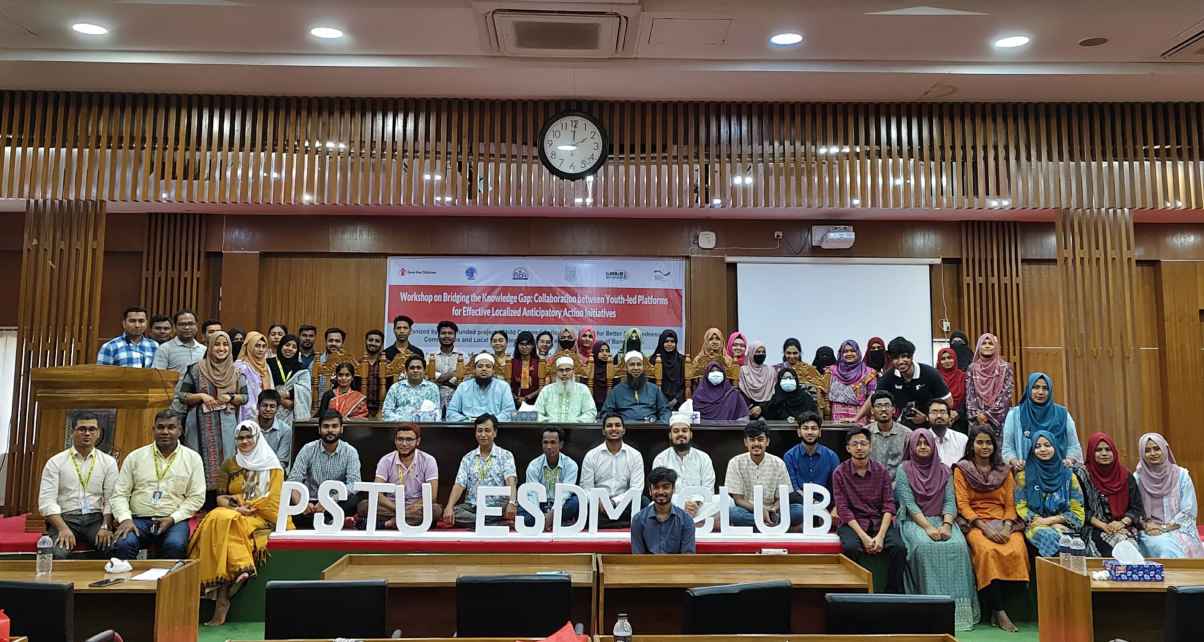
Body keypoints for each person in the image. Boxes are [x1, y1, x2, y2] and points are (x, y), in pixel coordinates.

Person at [188, 420, 289, 625]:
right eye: (240, 438)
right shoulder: (229, 465)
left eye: (249, 437)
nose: (244, 441)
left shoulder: (273, 466)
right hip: (236, 512)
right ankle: (240, 568)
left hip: (262, 516)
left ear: (257, 438)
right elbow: (220, 498)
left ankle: (222, 599)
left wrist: (245, 505)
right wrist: (236, 508)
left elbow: (274, 499)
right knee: (218, 517)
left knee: (227, 522)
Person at [894, 429, 979, 631]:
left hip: (942, 519)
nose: (923, 447)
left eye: (926, 443)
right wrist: (928, 528)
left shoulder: (944, 470)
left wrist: (947, 525)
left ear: (933, 446)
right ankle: (928, 611)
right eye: (918, 443)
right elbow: (909, 504)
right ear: (911, 446)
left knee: (958, 546)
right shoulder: (904, 469)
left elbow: (950, 501)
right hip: (915, 521)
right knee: (924, 547)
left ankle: (959, 613)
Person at [111, 411, 206, 559]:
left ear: (180, 430)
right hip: (138, 520)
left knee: (175, 545)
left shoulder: (193, 459)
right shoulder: (135, 457)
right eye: (160, 427)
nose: (165, 432)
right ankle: (126, 575)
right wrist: (125, 519)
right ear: (153, 430)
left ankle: (169, 576)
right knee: (124, 543)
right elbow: (120, 494)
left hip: (174, 520)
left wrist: (172, 518)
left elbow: (197, 497)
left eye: (171, 427)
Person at [832, 427, 906, 593]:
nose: (859, 448)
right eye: (855, 444)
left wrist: (880, 536)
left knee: (899, 548)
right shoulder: (839, 473)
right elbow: (843, 509)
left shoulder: (881, 471)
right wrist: (864, 537)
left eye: (863, 443)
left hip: (879, 521)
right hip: (853, 523)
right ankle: (857, 593)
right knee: (851, 547)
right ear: (848, 448)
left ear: (870, 446)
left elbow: (889, 505)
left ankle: (892, 593)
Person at [175, 331, 249, 493]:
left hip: (226, 424)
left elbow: (245, 397)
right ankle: (198, 499)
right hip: (199, 425)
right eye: (217, 344)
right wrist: (201, 396)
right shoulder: (196, 369)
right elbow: (181, 395)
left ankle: (223, 498)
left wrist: (230, 397)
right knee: (197, 461)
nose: (221, 348)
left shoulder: (236, 371)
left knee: (227, 460)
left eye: (225, 345)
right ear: (209, 347)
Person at [38, 412, 119, 559]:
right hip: (65, 518)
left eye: (92, 429)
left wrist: (106, 526)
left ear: (98, 433)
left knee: (113, 548)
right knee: (57, 553)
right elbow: (46, 502)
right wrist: (62, 528)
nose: (87, 433)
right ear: (72, 432)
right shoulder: (56, 462)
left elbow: (111, 498)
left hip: (95, 519)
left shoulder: (108, 462)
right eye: (82, 429)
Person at [287, 411, 362, 529]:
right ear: (319, 429)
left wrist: (329, 501)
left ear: (341, 429)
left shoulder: (350, 452)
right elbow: (293, 481)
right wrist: (301, 503)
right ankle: (332, 521)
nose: (330, 430)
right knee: (289, 501)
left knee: (354, 501)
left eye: (334, 426)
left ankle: (324, 521)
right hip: (311, 502)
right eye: (326, 426)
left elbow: (354, 484)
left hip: (336, 502)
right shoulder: (308, 449)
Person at [1014, 431, 1085, 556]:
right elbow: (1021, 507)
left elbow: (1078, 513)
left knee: (1069, 539)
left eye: (1047, 445)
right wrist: (1041, 521)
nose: (1043, 449)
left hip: (1062, 524)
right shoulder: (1023, 477)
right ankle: (1054, 569)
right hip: (1035, 524)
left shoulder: (1068, 477)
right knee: (1049, 536)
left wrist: (1051, 521)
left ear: (1055, 447)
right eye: (1038, 446)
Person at [440, 414, 518, 528]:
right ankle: (494, 524)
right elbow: (459, 484)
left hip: (498, 506)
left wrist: (512, 502)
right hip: (473, 506)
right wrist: (449, 506)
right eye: (480, 431)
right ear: (475, 433)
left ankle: (479, 522)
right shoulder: (468, 458)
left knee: (512, 510)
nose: (483, 434)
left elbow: (511, 480)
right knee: (455, 512)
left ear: (495, 433)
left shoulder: (505, 455)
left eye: (487, 430)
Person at [1135, 432, 1204, 558]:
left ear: (1165, 449)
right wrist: (1146, 525)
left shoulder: (1182, 475)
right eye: (1147, 450)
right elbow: (1134, 509)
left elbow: (1188, 510)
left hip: (1179, 527)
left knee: (1184, 546)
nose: (1153, 453)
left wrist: (1164, 527)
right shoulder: (1137, 478)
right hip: (1149, 530)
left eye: (1157, 448)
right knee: (1165, 548)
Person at [725, 420, 802, 529]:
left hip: (773, 510)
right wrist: (760, 510)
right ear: (746, 442)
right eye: (752, 440)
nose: (756, 443)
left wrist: (773, 509)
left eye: (760, 439)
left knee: (799, 510)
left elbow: (782, 498)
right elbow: (738, 500)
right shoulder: (735, 462)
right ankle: (771, 524)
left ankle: (761, 524)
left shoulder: (778, 463)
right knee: (732, 513)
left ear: (767, 442)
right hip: (748, 510)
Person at [1077, 432, 1142, 557]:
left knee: (1128, 544)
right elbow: (1080, 509)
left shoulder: (1125, 475)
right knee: (1120, 546)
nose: (1104, 453)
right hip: (1094, 528)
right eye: (1098, 450)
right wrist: (1105, 526)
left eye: (1108, 449)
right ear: (1091, 452)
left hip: (1123, 527)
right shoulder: (1082, 475)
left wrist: (1121, 523)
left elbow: (1136, 508)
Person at [362, 424, 440, 529]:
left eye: (409, 440)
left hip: (416, 506)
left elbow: (432, 496)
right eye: (400, 439)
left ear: (418, 441)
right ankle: (410, 521)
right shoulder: (386, 460)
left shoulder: (428, 460)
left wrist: (411, 508)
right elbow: (377, 493)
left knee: (435, 510)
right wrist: (398, 509)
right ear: (395, 441)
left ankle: (387, 523)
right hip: (391, 505)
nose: (404, 444)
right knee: (364, 506)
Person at [1001, 372, 1083, 469]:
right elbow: (1008, 448)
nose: (1040, 392)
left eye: (1045, 388)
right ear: (1029, 389)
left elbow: (1074, 446)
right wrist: (1015, 462)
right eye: (1036, 387)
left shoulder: (1062, 414)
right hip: (1027, 473)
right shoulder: (1015, 415)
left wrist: (1069, 460)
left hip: (1059, 472)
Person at [581, 413, 646, 528]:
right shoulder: (591, 455)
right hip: (598, 505)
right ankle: (620, 523)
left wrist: (613, 502)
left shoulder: (635, 455)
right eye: (609, 426)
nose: (614, 428)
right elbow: (586, 488)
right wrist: (600, 502)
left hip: (625, 503)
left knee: (644, 502)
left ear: (623, 430)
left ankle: (607, 523)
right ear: (603, 431)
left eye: (617, 425)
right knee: (579, 504)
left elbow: (636, 488)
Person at [875, 337, 952, 429]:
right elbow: (874, 398)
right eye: (895, 358)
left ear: (911, 356)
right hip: (903, 426)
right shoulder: (889, 376)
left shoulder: (930, 373)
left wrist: (926, 418)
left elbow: (948, 403)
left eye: (904, 356)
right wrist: (859, 416)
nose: (900, 362)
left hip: (932, 425)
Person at [651, 414, 716, 519]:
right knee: (652, 507)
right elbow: (659, 490)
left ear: (690, 434)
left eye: (684, 430)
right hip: (671, 506)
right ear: (670, 435)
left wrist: (695, 504)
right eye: (676, 431)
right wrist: (681, 504)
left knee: (725, 501)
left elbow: (708, 489)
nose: (680, 434)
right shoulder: (661, 459)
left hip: (700, 507)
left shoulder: (703, 458)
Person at [521, 427, 580, 530]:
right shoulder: (534, 465)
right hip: (539, 506)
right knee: (522, 506)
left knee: (575, 502)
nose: (549, 446)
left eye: (553, 442)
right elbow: (532, 494)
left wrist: (552, 514)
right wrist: (538, 515)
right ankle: (557, 522)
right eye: (546, 442)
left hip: (561, 506)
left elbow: (565, 494)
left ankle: (546, 522)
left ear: (561, 444)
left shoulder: (571, 465)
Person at [631, 467, 697, 554]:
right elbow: (638, 557)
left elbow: (688, 558)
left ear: (673, 489)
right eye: (656, 487)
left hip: (677, 563)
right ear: (650, 491)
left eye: (665, 487)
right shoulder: (638, 520)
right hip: (647, 563)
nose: (661, 492)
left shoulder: (686, 520)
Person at [600, 351, 671, 423]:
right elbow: (606, 413)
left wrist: (661, 424)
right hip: (625, 427)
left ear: (643, 367)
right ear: (626, 368)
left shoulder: (654, 389)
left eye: (639, 364)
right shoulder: (616, 391)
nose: (636, 368)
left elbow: (665, 410)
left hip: (650, 426)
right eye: (632, 365)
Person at [964, 333, 1015, 433]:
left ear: (996, 347)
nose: (987, 346)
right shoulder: (972, 368)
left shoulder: (1005, 368)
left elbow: (1005, 395)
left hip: (998, 420)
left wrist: (988, 415)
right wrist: (977, 415)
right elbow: (970, 395)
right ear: (979, 347)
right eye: (984, 343)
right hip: (977, 419)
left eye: (990, 343)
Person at [446, 353, 516, 422]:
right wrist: (467, 421)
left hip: (495, 424)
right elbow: (451, 412)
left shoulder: (503, 387)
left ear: (493, 371)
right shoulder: (463, 386)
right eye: (480, 366)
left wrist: (491, 422)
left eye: (488, 366)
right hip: (468, 424)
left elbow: (509, 412)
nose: (484, 369)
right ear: (474, 370)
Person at [783, 411, 840, 494]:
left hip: (825, 500)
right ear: (799, 432)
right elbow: (793, 487)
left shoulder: (832, 456)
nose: (809, 432)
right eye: (805, 428)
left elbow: (836, 487)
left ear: (820, 432)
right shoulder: (789, 456)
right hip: (799, 500)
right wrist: (808, 500)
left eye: (813, 428)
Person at [265, 334, 312, 431]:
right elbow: (263, 385)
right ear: (281, 346)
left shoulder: (302, 368)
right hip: (270, 408)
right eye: (287, 345)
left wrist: (288, 394)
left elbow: (305, 390)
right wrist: (281, 400)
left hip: (292, 411)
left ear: (297, 350)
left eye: (294, 347)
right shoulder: (268, 363)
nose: (290, 349)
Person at [865, 391, 913, 481]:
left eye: (887, 405)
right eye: (879, 406)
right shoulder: (865, 433)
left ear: (893, 410)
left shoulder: (907, 434)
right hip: (871, 483)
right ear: (872, 410)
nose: (883, 409)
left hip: (898, 484)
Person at [826, 340, 877, 423]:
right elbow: (825, 396)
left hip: (860, 416)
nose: (849, 354)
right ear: (841, 354)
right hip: (837, 417)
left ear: (858, 352)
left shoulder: (869, 372)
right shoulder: (831, 371)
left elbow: (872, 397)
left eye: (852, 351)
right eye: (845, 351)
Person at [534, 356, 597, 423]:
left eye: (568, 370)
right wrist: (549, 423)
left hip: (575, 428)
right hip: (550, 428)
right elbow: (536, 413)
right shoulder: (547, 390)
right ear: (556, 372)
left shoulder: (583, 389)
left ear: (573, 371)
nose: (564, 373)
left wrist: (576, 423)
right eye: (561, 370)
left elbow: (590, 413)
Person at [382, 354, 443, 421]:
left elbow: (436, 414)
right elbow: (386, 412)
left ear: (424, 370)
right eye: (412, 368)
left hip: (424, 425)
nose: (415, 370)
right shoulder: (395, 388)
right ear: (406, 371)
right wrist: (404, 420)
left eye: (419, 368)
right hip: (400, 425)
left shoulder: (432, 388)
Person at [234, 331, 271, 423]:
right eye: (257, 346)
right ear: (249, 346)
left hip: (264, 411)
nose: (261, 349)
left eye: (263, 346)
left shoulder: (266, 366)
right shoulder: (241, 366)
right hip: (245, 411)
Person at [254, 390, 293, 471]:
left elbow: (281, 461)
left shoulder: (285, 430)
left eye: (272, 406)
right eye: (264, 405)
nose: (268, 409)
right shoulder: (249, 426)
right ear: (258, 406)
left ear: (277, 408)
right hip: (251, 470)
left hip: (274, 471)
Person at [431, 320, 465, 409]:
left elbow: (464, 382)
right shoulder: (430, 358)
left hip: (458, 400)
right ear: (438, 336)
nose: (446, 336)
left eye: (450, 333)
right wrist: (452, 374)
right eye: (443, 333)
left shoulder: (464, 357)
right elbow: (429, 380)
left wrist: (440, 379)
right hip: (435, 401)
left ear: (455, 336)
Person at [651, 330, 686, 410]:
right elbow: (651, 384)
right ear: (661, 342)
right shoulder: (654, 360)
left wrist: (676, 400)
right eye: (666, 341)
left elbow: (685, 384)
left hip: (679, 403)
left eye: (672, 341)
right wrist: (662, 400)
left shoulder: (682, 360)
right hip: (658, 403)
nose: (669, 344)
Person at [356, 330, 388, 417]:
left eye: (377, 341)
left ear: (382, 344)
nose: (373, 343)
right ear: (366, 341)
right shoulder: (358, 364)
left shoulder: (387, 365)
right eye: (370, 340)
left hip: (382, 410)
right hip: (360, 410)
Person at [928, 398, 967, 468]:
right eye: (934, 412)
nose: (939, 416)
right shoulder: (922, 440)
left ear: (949, 417)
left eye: (943, 412)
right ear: (927, 417)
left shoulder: (962, 439)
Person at [935, 347, 967, 433]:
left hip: (960, 420)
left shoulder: (963, 377)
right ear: (939, 361)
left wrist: (958, 413)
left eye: (950, 358)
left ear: (955, 359)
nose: (947, 361)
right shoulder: (935, 377)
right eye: (943, 359)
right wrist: (944, 413)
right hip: (938, 418)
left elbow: (968, 399)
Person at [737, 341, 776, 409]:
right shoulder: (743, 370)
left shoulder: (771, 371)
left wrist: (761, 408)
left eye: (763, 352)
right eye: (758, 352)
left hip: (767, 408)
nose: (761, 354)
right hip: (747, 408)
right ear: (751, 353)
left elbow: (774, 394)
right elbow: (741, 392)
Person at [509, 331, 542, 408]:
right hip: (514, 402)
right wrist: (516, 398)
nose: (524, 347)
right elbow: (507, 385)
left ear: (533, 345)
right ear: (517, 345)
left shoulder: (540, 363)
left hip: (535, 403)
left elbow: (543, 386)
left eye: (528, 344)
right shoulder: (511, 363)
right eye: (522, 344)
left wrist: (527, 398)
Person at [314, 327, 346, 395]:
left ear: (342, 343)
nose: (333, 343)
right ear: (326, 342)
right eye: (330, 340)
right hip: (321, 400)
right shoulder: (316, 362)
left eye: (337, 341)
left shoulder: (348, 363)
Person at [589, 341, 613, 409]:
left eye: (607, 351)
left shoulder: (613, 369)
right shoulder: (589, 368)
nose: (605, 354)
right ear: (595, 352)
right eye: (601, 351)